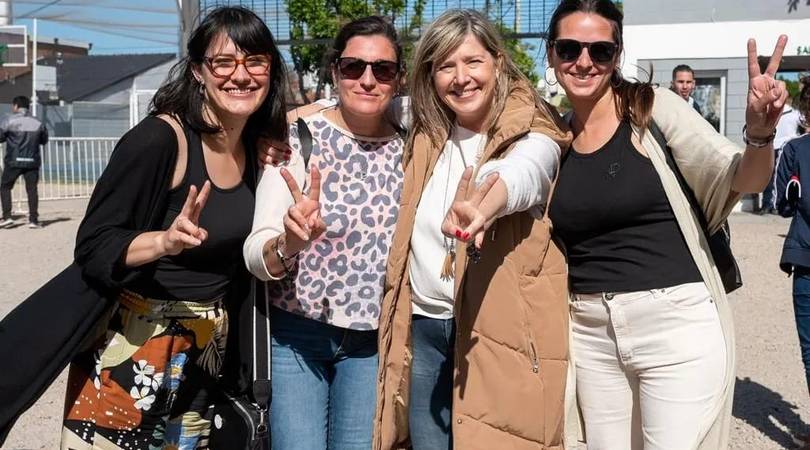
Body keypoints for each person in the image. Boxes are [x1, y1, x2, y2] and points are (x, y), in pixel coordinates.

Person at [544, 1, 787, 449]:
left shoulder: (653, 110)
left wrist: (759, 134)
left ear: (617, 55)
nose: (584, 61)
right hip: (590, 332)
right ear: (551, 54)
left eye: (600, 50)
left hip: (674, 324)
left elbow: (744, 179)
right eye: (569, 48)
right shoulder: (552, 139)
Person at [59, 6, 288, 449]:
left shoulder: (255, 146)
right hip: (133, 349)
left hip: (207, 353)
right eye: (223, 62)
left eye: (255, 61)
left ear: (271, 71)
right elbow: (94, 244)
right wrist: (163, 241)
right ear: (199, 71)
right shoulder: (159, 140)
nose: (240, 75)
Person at [372, 9, 572, 450]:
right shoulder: (425, 130)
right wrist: (283, 123)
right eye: (445, 66)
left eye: (473, 62)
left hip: (493, 330)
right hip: (426, 328)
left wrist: (486, 203)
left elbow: (527, 171)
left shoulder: (532, 129)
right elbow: (361, 104)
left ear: (498, 62)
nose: (461, 78)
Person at [243, 16, 404, 450]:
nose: (367, 80)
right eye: (353, 67)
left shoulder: (411, 146)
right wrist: (289, 243)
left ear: (398, 78)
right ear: (335, 71)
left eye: (382, 69)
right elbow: (256, 251)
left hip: (372, 343)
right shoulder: (296, 139)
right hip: (297, 335)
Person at [776, 79, 810, 403]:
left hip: (805, 259)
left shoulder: (795, 150)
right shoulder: (794, 149)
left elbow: (783, 206)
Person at [0, 95, 48, 229]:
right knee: (32, 190)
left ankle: (7, 217)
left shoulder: (9, 120)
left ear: (16, 106)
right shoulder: (38, 122)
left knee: (5, 187)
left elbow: (0, 137)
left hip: (13, 161)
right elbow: (44, 140)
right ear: (28, 107)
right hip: (32, 161)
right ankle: (33, 220)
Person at [761, 94, 804, 214]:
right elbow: (804, 125)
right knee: (785, 177)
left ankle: (766, 204)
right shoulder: (794, 113)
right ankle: (781, 204)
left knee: (769, 177)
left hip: (772, 147)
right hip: (788, 148)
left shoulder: (770, 113)